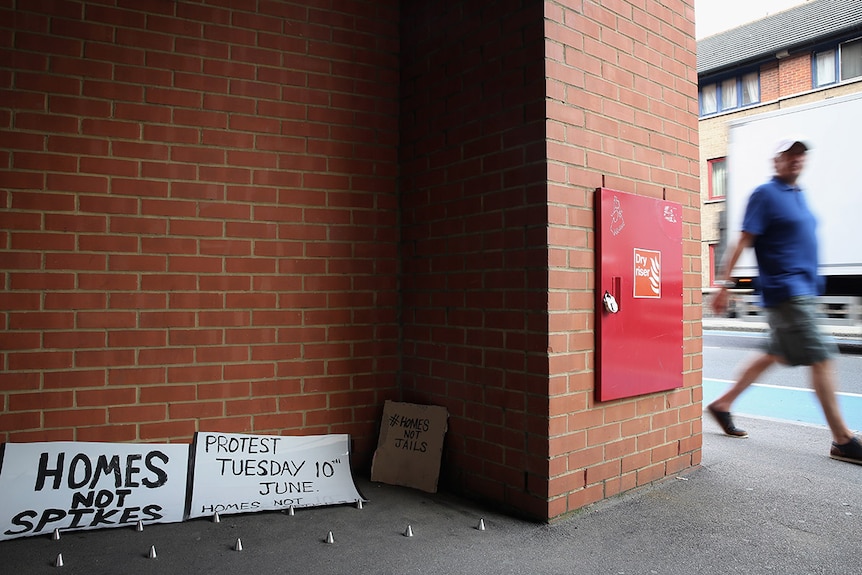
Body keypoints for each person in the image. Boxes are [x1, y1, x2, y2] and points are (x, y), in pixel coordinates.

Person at [709, 137, 862, 465]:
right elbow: (743, 241)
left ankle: (722, 405)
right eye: (789, 155)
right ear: (776, 161)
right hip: (786, 291)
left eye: (800, 155)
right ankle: (842, 440)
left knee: (772, 354)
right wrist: (724, 284)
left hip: (804, 289)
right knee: (822, 356)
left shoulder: (799, 196)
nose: (796, 160)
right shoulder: (765, 194)